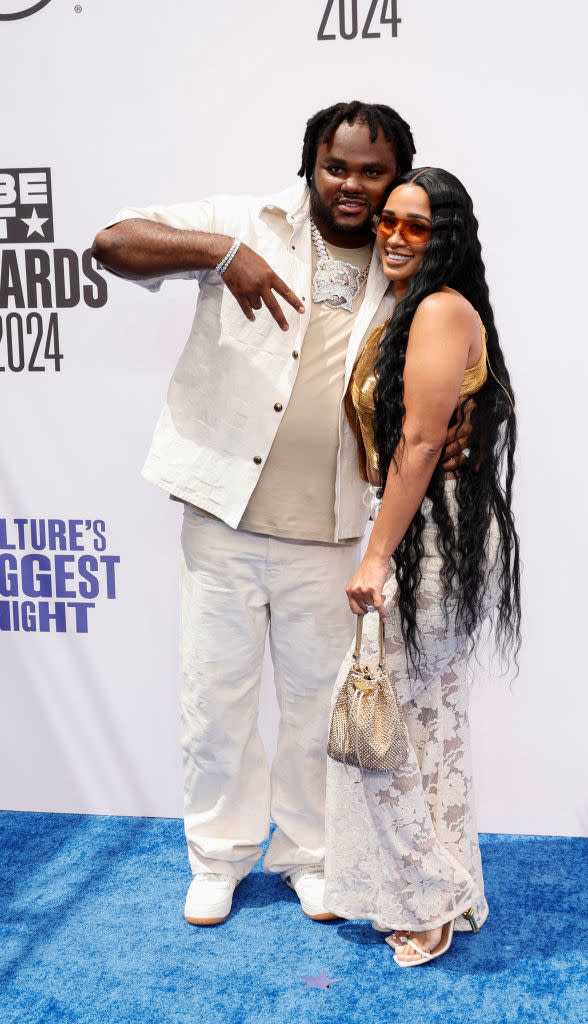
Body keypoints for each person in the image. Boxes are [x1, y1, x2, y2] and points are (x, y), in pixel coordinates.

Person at [91, 103, 468, 926]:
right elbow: (112, 241)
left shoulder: (405, 263)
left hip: (336, 529)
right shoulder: (244, 222)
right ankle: (218, 858)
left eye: (373, 172)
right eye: (338, 167)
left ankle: (309, 857)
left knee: (313, 710)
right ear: (311, 164)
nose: (353, 186)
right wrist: (223, 255)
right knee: (214, 700)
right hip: (224, 519)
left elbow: (454, 366)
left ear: (396, 175)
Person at [324, 167, 521, 966]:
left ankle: (424, 903)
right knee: (426, 722)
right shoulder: (413, 310)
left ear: (446, 236)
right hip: (422, 527)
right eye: (388, 222)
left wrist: (376, 554)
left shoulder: (439, 309)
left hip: (421, 538)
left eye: (417, 226)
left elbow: (418, 442)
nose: (395, 236)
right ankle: (453, 892)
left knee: (387, 727)